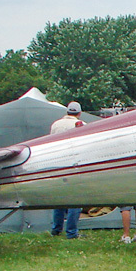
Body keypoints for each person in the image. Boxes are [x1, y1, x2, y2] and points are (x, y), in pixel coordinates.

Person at [50, 102, 85, 239]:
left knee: (59, 198)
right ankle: (71, 232)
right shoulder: (81, 124)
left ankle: (56, 229)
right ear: (79, 113)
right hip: (74, 164)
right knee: (75, 199)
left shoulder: (56, 124)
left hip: (58, 164)